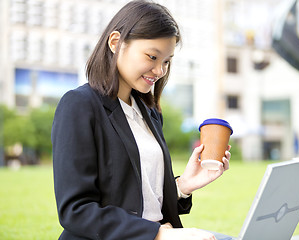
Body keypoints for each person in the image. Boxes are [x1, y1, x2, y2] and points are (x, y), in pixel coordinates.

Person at [51, 1, 231, 239]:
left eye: (166, 61)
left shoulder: (150, 113)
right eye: (152, 57)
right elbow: (76, 211)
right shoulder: (79, 105)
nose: (160, 71)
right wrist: (159, 234)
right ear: (115, 43)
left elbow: (140, 201)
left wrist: (183, 186)